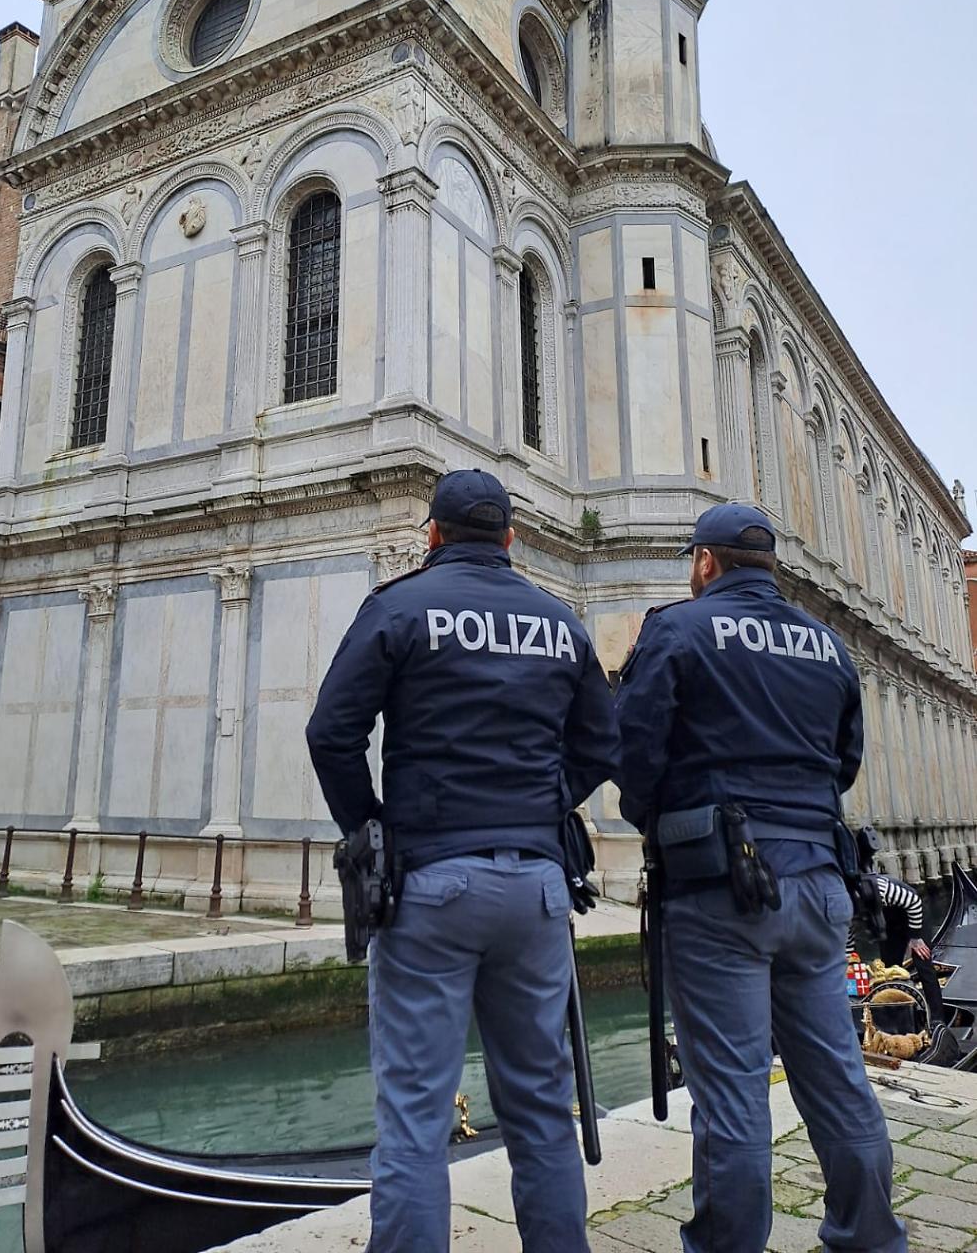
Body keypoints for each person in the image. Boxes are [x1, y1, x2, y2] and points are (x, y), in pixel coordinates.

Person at [306, 468, 620, 1253]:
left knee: (414, 1117)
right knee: (543, 1109)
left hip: (432, 883)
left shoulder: (400, 607)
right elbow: (602, 744)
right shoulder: (559, 620)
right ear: (511, 538)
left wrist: (370, 828)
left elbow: (331, 734)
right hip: (538, 888)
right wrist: (545, 799)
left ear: (433, 534)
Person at [614, 502, 907, 1253]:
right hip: (817, 881)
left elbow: (635, 752)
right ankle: (871, 1238)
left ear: (706, 563)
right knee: (838, 1078)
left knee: (733, 1094)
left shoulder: (677, 628)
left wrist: (656, 819)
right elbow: (844, 763)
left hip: (721, 889)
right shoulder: (829, 646)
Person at [852, 826, 944, 1027]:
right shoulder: (844, 903)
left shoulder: (879, 887)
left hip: (913, 914)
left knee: (923, 963)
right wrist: (848, 956)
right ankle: (896, 1014)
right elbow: (847, 931)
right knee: (889, 967)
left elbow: (913, 901)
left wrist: (915, 937)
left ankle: (938, 1018)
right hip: (889, 919)